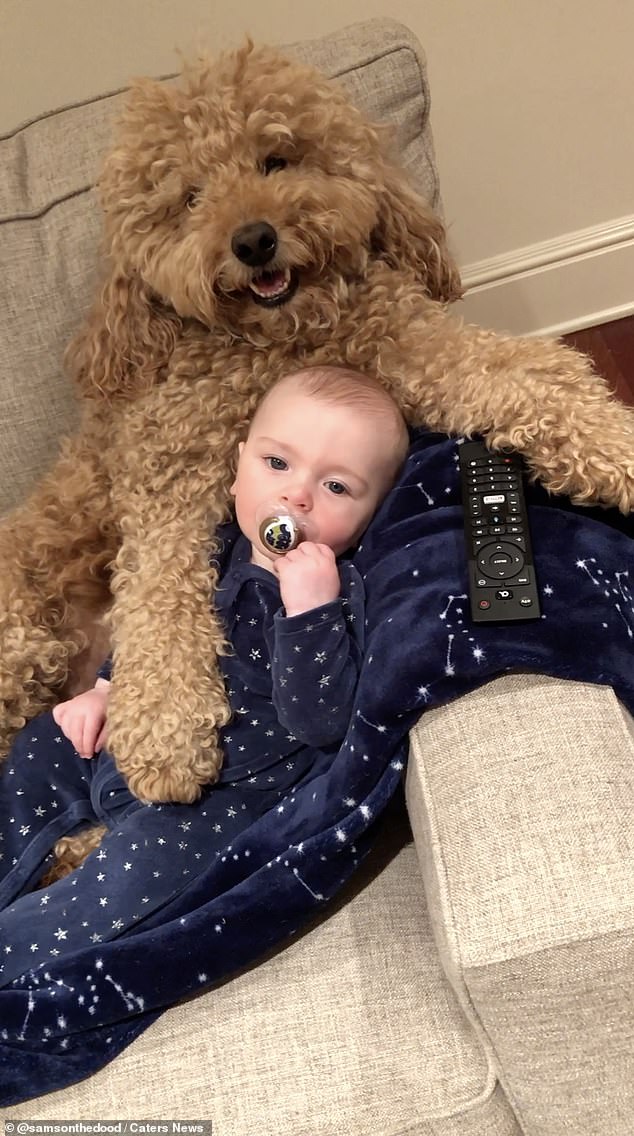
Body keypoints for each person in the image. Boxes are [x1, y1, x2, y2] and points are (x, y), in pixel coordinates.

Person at [0, 366, 409, 987]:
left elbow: (320, 720)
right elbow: (151, 626)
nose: (297, 497)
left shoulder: (337, 592)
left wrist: (310, 610)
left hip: (221, 795)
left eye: (335, 486)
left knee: (126, 888)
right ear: (240, 462)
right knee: (42, 745)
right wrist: (106, 690)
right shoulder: (210, 547)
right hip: (125, 738)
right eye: (278, 464)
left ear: (372, 510)